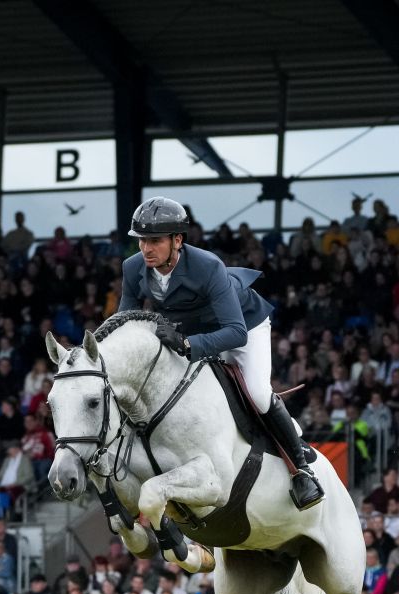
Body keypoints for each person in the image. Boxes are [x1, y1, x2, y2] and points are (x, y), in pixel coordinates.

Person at [119, 196, 323, 509]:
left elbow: (235, 332)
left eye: (155, 241)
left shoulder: (207, 266)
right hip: (190, 330)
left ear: (177, 240)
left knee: (255, 393)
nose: (146, 249)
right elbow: (126, 324)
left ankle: (301, 468)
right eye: (142, 241)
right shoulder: (132, 268)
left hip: (243, 325)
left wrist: (188, 346)